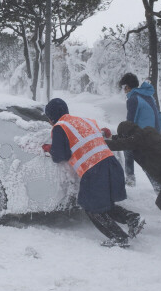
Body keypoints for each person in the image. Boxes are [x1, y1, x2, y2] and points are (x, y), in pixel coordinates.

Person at [42, 98, 145, 248]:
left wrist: (49, 148)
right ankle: (133, 218)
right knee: (104, 204)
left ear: (51, 117)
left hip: (94, 169)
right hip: (111, 164)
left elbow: (60, 156)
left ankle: (119, 237)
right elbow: (92, 136)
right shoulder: (85, 120)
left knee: (91, 207)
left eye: (49, 118)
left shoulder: (59, 127)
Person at [119, 73, 161, 188]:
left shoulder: (133, 99)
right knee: (142, 157)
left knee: (139, 156)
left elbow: (130, 121)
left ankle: (132, 180)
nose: (123, 90)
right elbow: (159, 115)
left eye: (123, 87)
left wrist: (124, 135)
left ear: (127, 87)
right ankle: (157, 185)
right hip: (155, 134)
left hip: (145, 136)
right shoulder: (147, 96)